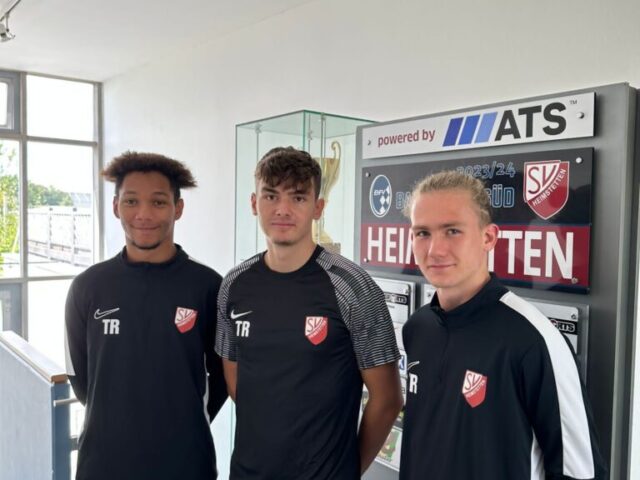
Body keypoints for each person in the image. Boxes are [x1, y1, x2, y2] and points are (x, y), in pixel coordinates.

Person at [399, 170, 607, 479]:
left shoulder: (534, 340)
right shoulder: (417, 328)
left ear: (489, 237)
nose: (435, 250)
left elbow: (580, 473)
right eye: (422, 233)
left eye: (452, 231)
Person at [215, 146, 403, 479]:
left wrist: (347, 469)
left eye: (298, 198)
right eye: (271, 196)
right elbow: (238, 386)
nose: (282, 209)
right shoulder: (234, 284)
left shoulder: (352, 285)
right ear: (254, 203)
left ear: (318, 207)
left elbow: (387, 399)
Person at [64, 151, 228, 480]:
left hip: (186, 465)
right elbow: (80, 379)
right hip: (103, 465)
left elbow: (223, 377)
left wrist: (185, 423)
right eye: (131, 201)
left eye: (158, 202)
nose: (143, 214)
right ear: (116, 207)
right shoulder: (88, 287)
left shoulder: (208, 286)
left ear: (178, 208)